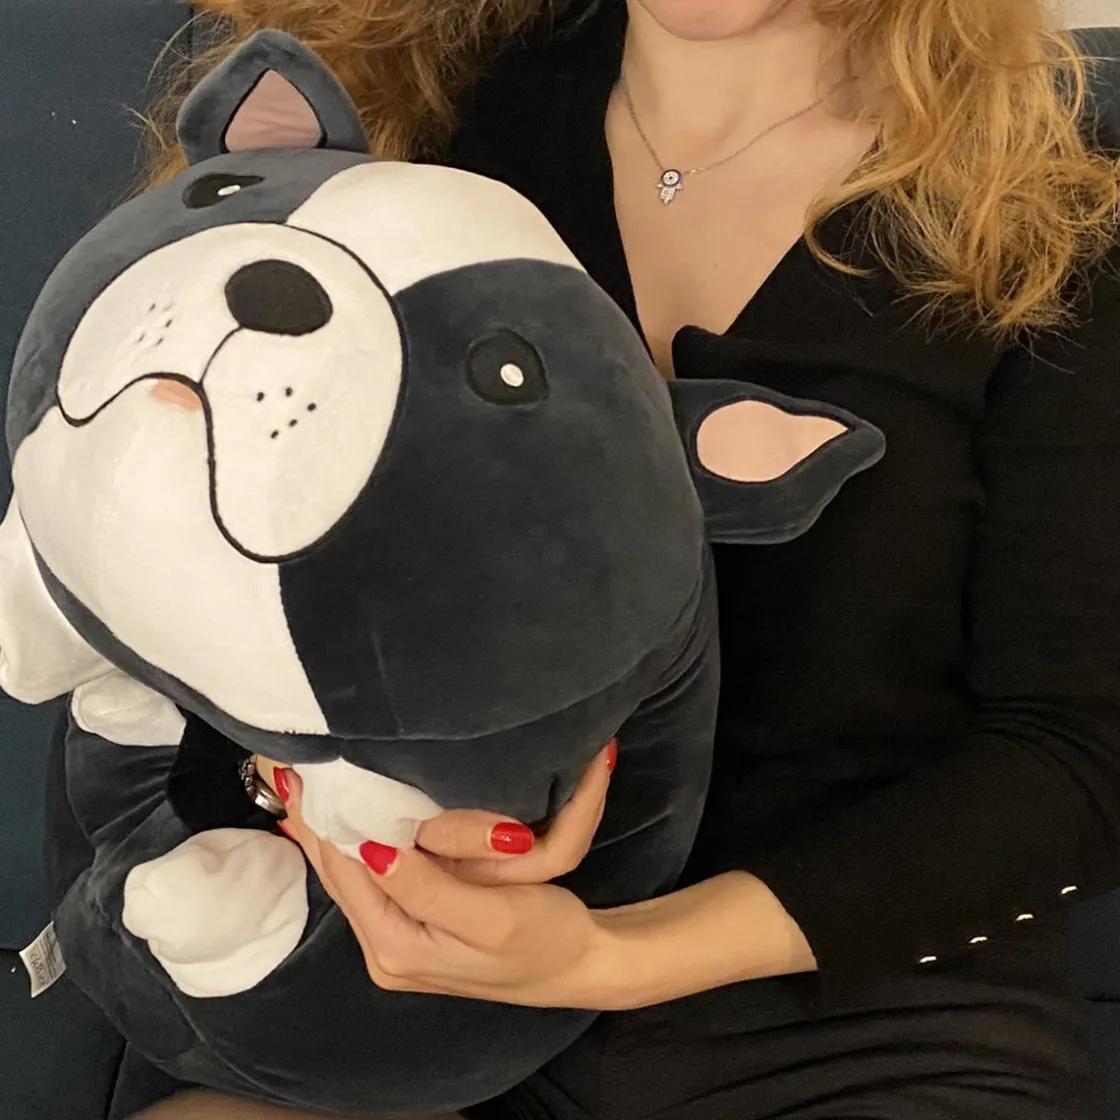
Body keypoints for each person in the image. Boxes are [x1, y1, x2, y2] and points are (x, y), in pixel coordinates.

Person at [124, 0, 1120, 1116]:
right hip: (416, 1007)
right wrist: (313, 799)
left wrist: (613, 957)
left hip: (870, 1021)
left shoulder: (1048, 218)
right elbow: (208, 609)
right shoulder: (408, 134)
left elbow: (1080, 752)